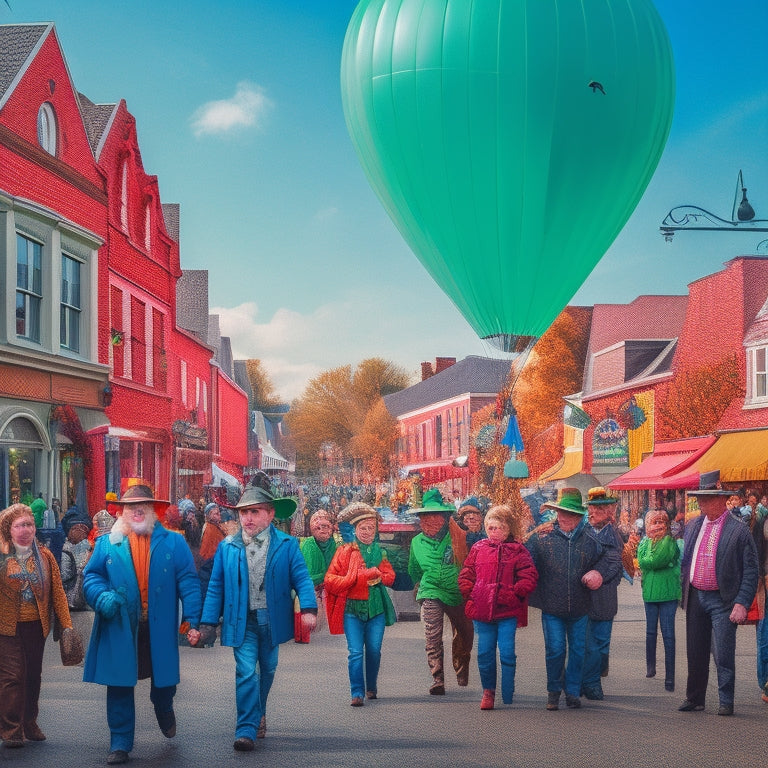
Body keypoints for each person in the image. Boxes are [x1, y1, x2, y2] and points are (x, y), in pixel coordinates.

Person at [82, 483, 202, 765]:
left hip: (158, 627)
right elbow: (91, 578)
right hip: (121, 625)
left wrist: (192, 618)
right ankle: (120, 742)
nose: (136, 511)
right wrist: (101, 596)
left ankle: (163, 705)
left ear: (153, 510)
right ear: (121, 511)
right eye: (130, 507)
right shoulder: (106, 543)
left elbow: (189, 581)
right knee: (120, 683)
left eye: (142, 506)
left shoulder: (174, 542)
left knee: (164, 681)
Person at [198, 475, 317, 752]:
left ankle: (258, 711)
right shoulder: (228, 547)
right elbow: (216, 587)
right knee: (246, 672)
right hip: (242, 621)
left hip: (272, 620)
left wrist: (309, 608)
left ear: (270, 514)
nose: (248, 518)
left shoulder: (287, 545)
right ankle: (246, 728)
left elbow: (301, 578)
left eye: (255, 512)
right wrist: (206, 622)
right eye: (244, 512)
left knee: (269, 670)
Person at [524, 487, 611, 710]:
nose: (563, 517)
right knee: (555, 649)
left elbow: (606, 559)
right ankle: (553, 691)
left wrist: (598, 573)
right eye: (561, 512)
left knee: (578, 651)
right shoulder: (543, 539)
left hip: (580, 608)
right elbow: (527, 561)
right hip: (552, 607)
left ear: (578, 517)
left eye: (569, 514)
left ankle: (572, 691)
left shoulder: (591, 540)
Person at [678, 488, 759, 716]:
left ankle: (726, 700)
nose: (701, 503)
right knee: (695, 651)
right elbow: (686, 561)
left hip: (723, 600)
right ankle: (695, 698)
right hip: (696, 595)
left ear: (722, 500)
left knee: (723, 652)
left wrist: (742, 602)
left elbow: (751, 570)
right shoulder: (694, 525)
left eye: (707, 499)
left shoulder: (739, 530)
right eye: (699, 499)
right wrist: (685, 585)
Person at [0, 503, 74, 747]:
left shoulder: (45, 556)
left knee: (33, 676)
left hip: (36, 626)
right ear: (8, 529)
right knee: (12, 676)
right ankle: (11, 728)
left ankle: (29, 722)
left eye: (29, 524)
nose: (25, 529)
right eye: (19, 525)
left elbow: (58, 593)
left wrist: (66, 625)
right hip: (6, 627)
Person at [458, 504, 538, 709]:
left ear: (509, 528)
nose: (494, 532)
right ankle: (488, 691)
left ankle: (508, 687)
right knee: (484, 652)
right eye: (491, 528)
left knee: (507, 651)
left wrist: (515, 592)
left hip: (507, 609)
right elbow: (467, 573)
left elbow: (529, 575)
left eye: (499, 528)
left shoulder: (518, 550)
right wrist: (471, 593)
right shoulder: (478, 548)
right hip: (482, 608)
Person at [324, 502, 396, 706]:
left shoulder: (380, 552)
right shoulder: (344, 552)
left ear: (375, 530)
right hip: (352, 610)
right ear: (355, 530)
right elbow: (330, 579)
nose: (366, 532)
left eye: (370, 528)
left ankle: (371, 687)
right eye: (362, 528)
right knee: (355, 652)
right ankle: (357, 692)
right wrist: (354, 577)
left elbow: (390, 576)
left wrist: (379, 575)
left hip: (376, 610)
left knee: (374, 651)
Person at [407, 488, 473, 696]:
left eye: (436, 516)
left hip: (457, 591)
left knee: (464, 634)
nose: (431, 521)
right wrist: (421, 585)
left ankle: (461, 668)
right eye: (426, 517)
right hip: (431, 591)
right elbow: (414, 569)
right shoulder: (416, 542)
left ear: (445, 518)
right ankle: (437, 678)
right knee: (432, 636)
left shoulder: (459, 537)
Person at [581, 487, 624, 700]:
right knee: (589, 643)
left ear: (609, 511)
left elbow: (614, 564)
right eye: (590, 508)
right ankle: (590, 681)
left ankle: (593, 678)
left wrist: (599, 575)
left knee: (600, 643)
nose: (591, 512)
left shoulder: (612, 535)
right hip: (587, 598)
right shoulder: (585, 531)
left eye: (597, 508)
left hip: (604, 597)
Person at [637, 509, 681, 692]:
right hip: (649, 592)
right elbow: (642, 560)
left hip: (668, 593)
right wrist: (649, 561)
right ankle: (651, 667)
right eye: (654, 522)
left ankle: (669, 676)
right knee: (650, 632)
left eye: (661, 523)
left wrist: (649, 561)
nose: (657, 526)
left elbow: (656, 561)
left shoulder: (670, 542)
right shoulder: (644, 542)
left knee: (668, 634)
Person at [299, 509, 338, 639]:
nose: (323, 530)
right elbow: (304, 575)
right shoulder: (308, 545)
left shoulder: (335, 544)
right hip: (312, 588)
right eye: (319, 527)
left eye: (326, 526)